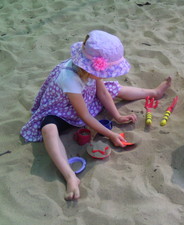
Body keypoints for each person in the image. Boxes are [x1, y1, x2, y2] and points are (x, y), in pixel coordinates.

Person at [21, 30, 171, 200]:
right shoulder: (68, 78)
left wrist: (117, 116)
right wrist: (111, 134)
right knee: (48, 129)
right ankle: (70, 175)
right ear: (90, 67)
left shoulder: (90, 71)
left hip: (85, 99)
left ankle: (153, 92)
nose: (105, 75)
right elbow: (84, 116)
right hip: (60, 111)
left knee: (114, 88)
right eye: (105, 71)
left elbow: (104, 94)